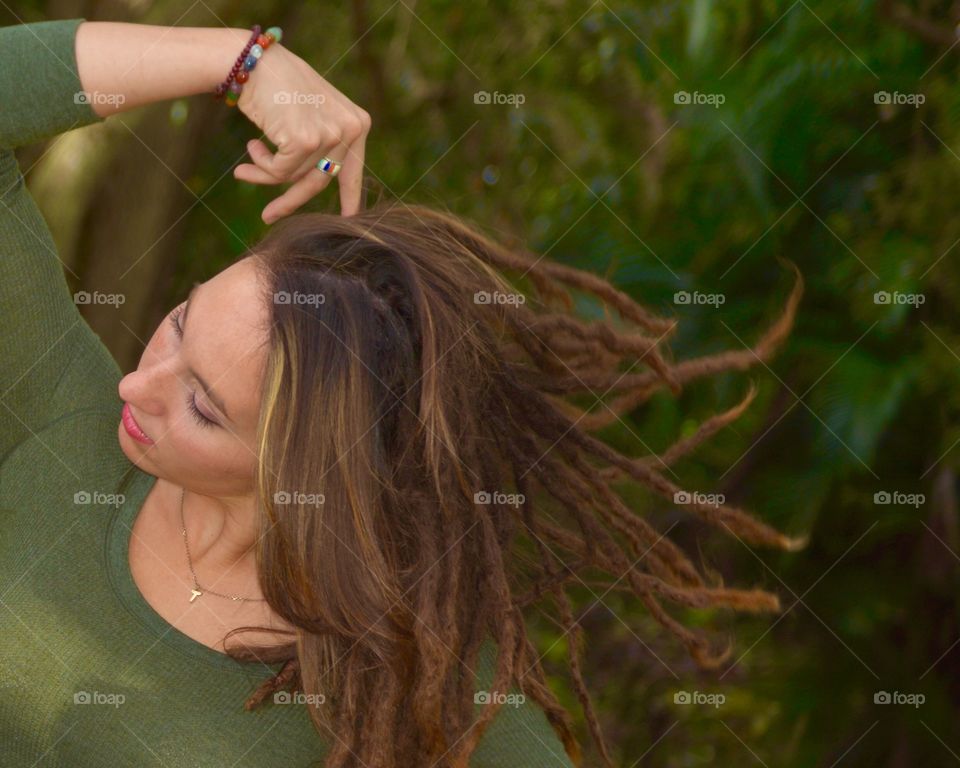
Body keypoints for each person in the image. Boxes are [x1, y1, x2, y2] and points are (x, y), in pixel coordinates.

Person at [0, 15, 806, 768]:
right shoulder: (60, 411)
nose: (137, 384)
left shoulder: (397, 684)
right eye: (178, 323)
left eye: (205, 408)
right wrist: (243, 62)